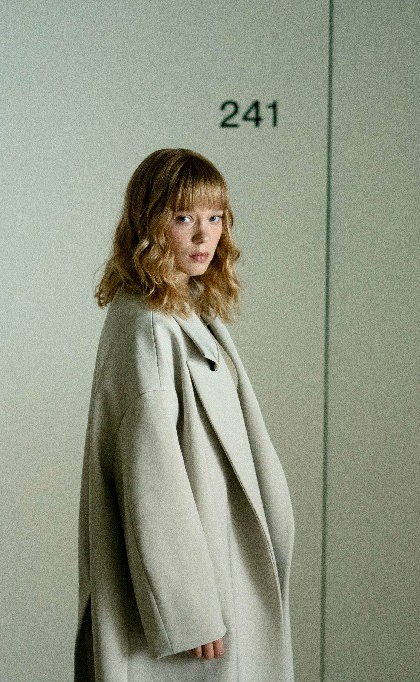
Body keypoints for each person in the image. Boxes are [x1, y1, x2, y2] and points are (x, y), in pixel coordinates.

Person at [75, 149, 294, 681]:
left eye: (214, 217)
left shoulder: (187, 310)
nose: (203, 235)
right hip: (195, 605)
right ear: (148, 223)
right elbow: (152, 475)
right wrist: (189, 609)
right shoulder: (149, 325)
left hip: (220, 566)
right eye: (183, 217)